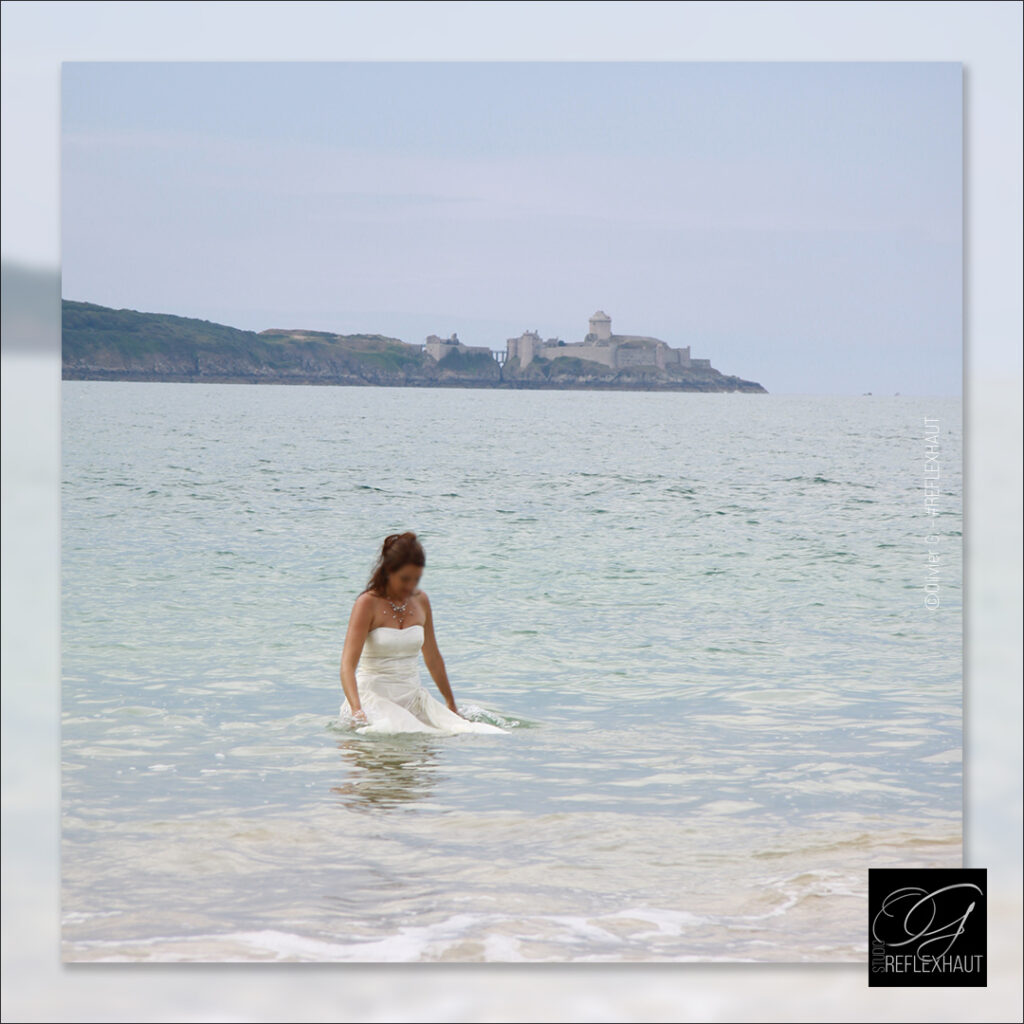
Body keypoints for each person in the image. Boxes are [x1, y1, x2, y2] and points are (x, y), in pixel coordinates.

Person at [338, 532, 508, 735]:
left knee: (469, 731)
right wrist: (357, 710)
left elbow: (433, 658)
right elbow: (347, 666)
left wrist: (450, 703)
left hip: (413, 699)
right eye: (404, 579)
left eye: (416, 579)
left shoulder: (421, 601)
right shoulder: (367, 603)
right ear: (388, 571)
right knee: (400, 733)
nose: (410, 586)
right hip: (373, 700)